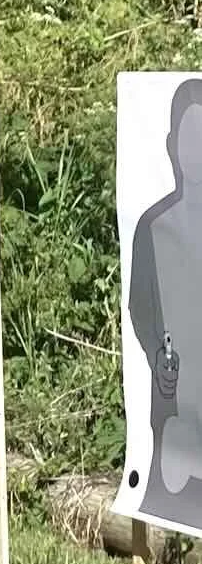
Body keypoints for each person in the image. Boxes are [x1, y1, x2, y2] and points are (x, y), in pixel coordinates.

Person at [127, 77, 202, 528]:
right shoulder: (152, 227)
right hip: (174, 413)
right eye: (190, 136)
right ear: (173, 144)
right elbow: (140, 309)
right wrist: (160, 356)